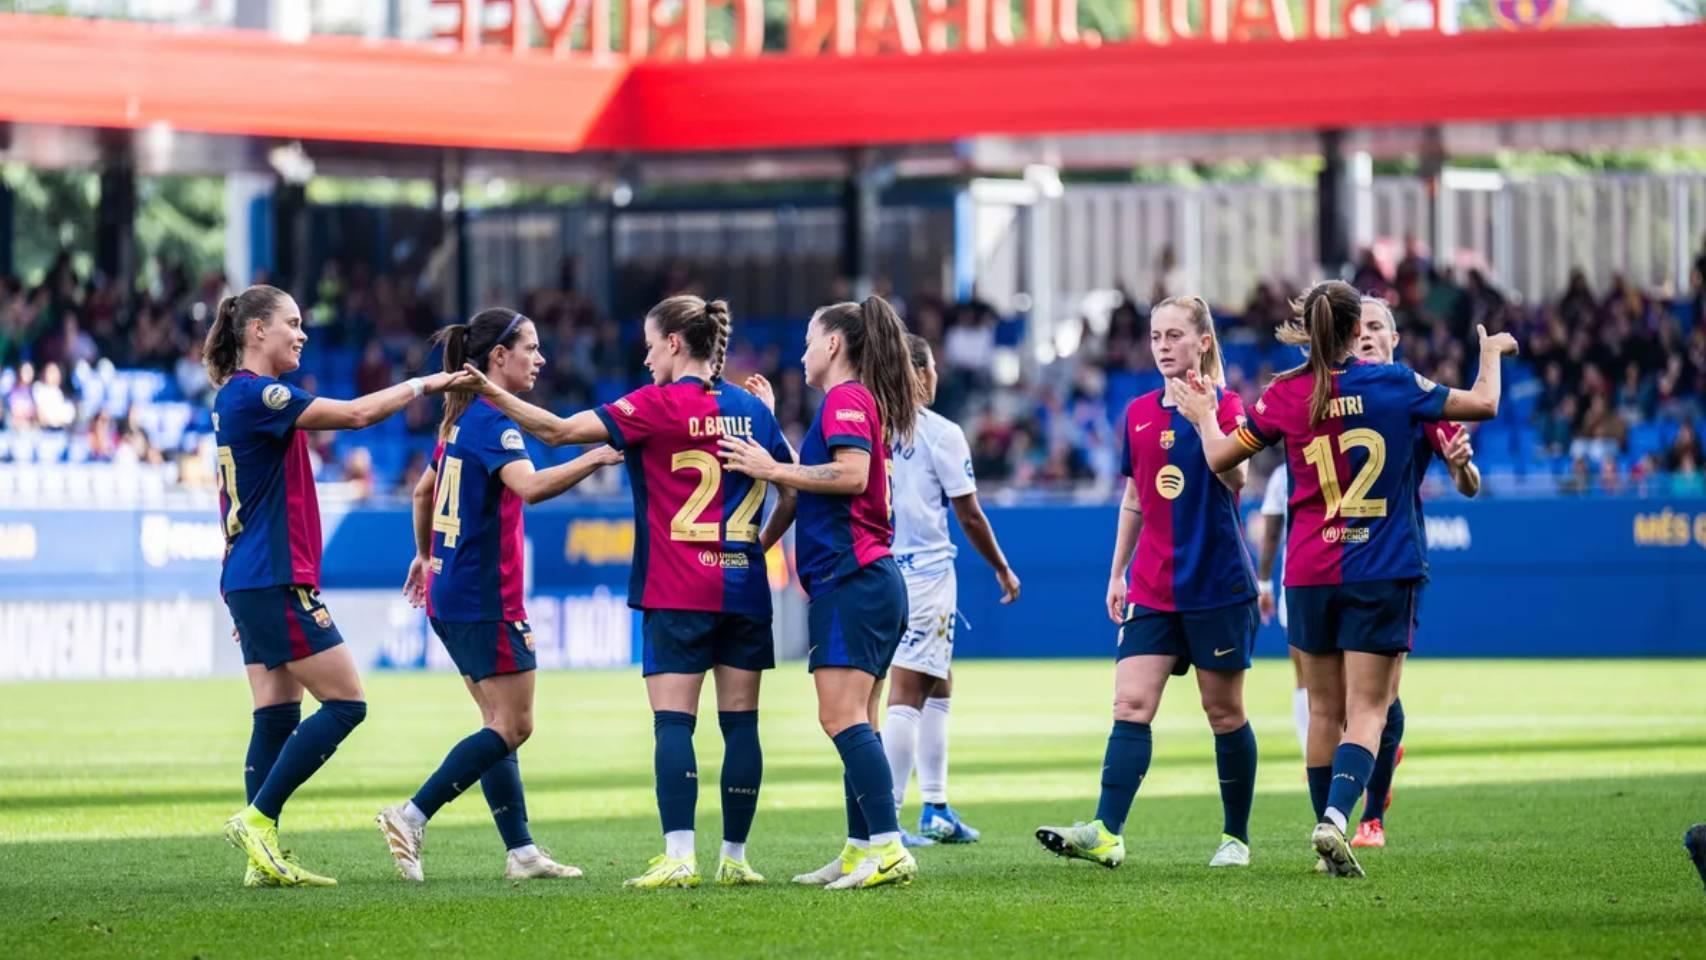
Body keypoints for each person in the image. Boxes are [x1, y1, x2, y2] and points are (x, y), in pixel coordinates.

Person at [1168, 279, 1516, 878]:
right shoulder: (1395, 384)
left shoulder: (1285, 393)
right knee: (1369, 710)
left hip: (1307, 572)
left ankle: (1328, 837)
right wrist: (1489, 353)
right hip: (1382, 568)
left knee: (1323, 711)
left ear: (1309, 329)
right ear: (1359, 331)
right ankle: (1335, 819)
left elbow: (1223, 456)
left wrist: (1203, 416)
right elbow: (1483, 403)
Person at [450, 296, 792, 889]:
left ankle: (680, 857)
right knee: (742, 726)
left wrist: (489, 391)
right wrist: (755, 547)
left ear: (677, 345)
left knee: (674, 726)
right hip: (743, 587)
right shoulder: (753, 408)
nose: (646, 354)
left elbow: (556, 432)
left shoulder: (653, 405)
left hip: (678, 587)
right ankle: (735, 859)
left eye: (651, 343)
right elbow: (789, 489)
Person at [206, 284, 455, 887]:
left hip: (251, 575)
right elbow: (356, 415)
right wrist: (427, 384)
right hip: (273, 575)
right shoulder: (259, 394)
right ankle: (258, 819)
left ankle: (261, 856)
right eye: (291, 323)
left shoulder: (235, 399)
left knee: (275, 714)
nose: (302, 334)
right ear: (256, 331)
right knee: (346, 702)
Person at [376, 308, 620, 884]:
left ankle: (521, 851)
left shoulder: (458, 421)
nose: (540, 358)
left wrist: (422, 554)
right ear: (497, 358)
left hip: (450, 592)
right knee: (514, 725)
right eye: (530, 348)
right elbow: (531, 488)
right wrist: (593, 456)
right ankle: (410, 815)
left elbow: (422, 491)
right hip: (488, 597)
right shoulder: (493, 422)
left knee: (495, 724)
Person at [1034, 296, 1260, 871]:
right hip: (1153, 587)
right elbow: (1134, 498)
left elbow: (1238, 476)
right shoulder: (1135, 413)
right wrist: (1117, 573)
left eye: (1175, 335)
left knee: (1223, 713)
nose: (1162, 345)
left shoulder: (1228, 404)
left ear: (1203, 342)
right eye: (1156, 335)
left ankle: (1236, 837)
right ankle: (1107, 832)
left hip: (1217, 584)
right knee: (1130, 703)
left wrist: (1204, 419)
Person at [718, 296, 921, 891]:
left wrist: (770, 468)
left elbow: (851, 476)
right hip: (866, 582)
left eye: (809, 339)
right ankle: (863, 848)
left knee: (839, 717)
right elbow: (813, 486)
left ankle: (887, 847)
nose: (802, 351)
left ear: (833, 344)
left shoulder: (846, 398)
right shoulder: (849, 403)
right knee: (860, 719)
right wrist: (758, 537)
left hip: (853, 581)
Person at [1347, 296, 1481, 851]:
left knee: (1378, 696)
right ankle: (1380, 747)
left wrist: (1460, 466)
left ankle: (1371, 817)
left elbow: (1470, 485)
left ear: (1395, 338)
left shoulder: (1414, 395)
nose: (1367, 336)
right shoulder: (1326, 399)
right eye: (1356, 330)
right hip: (1333, 562)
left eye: (1377, 327)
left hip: (1395, 558)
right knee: (1348, 702)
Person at [883, 334, 1021, 847]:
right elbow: (969, 513)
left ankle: (935, 807)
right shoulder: (939, 432)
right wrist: (1002, 568)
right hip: (923, 574)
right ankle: (889, 820)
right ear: (918, 374)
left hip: (882, 570)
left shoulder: (871, 425)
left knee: (938, 681)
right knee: (906, 693)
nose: (937, 376)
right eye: (932, 367)